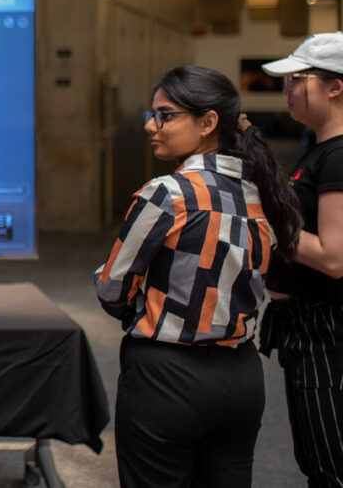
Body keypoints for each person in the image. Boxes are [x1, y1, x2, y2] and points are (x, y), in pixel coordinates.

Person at [94, 65, 301, 488]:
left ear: (208, 122)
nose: (153, 125)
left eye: (165, 115)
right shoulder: (267, 192)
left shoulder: (167, 194)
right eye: (152, 114)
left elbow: (112, 287)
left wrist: (144, 306)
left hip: (167, 378)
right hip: (243, 379)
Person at [259, 31, 343, 488]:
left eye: (297, 80)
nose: (288, 90)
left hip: (326, 329)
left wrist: (267, 222)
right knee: (317, 457)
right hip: (306, 326)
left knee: (331, 464)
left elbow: (333, 257)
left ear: (336, 87)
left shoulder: (339, 156)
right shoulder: (320, 151)